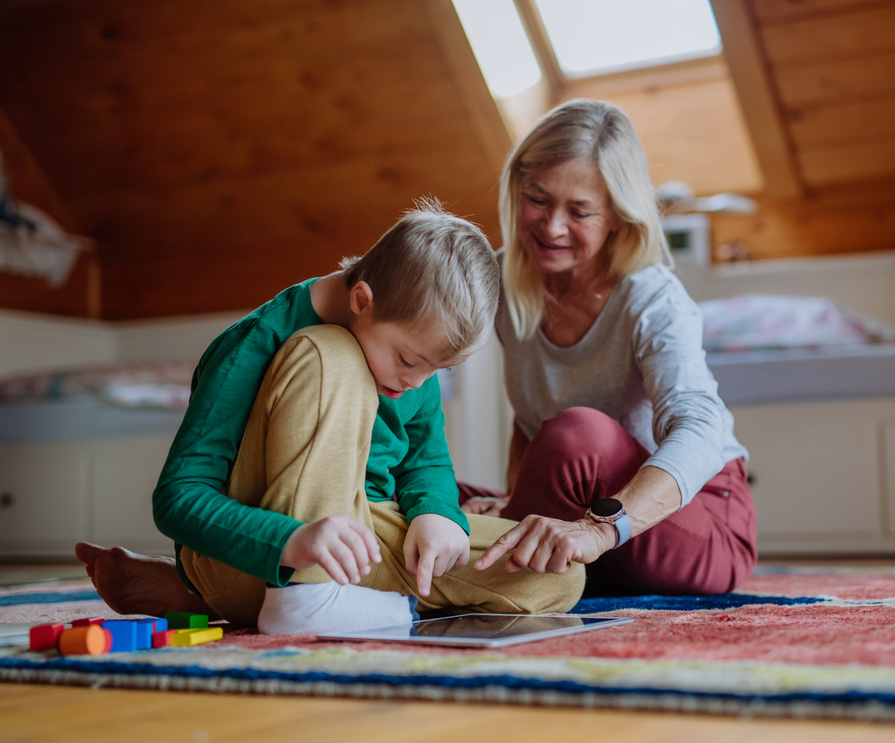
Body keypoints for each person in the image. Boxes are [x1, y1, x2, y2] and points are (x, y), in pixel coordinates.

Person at [77, 199, 585, 634]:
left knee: (555, 572)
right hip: (267, 548)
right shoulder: (256, 343)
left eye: (439, 369)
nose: (417, 382)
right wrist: (292, 541)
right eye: (409, 361)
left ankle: (218, 602)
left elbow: (425, 459)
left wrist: (438, 515)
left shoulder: (415, 362)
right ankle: (299, 598)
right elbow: (178, 498)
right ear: (362, 299)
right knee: (332, 352)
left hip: (360, 536)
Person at [461, 100, 757, 596]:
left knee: (577, 434)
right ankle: (492, 553)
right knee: (429, 496)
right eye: (537, 198)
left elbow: (700, 428)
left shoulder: (652, 298)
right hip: (579, 517)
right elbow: (526, 424)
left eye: (579, 211)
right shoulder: (504, 281)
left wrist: (602, 529)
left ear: (618, 215)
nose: (552, 227)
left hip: (693, 520)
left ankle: (478, 569)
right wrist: (514, 498)